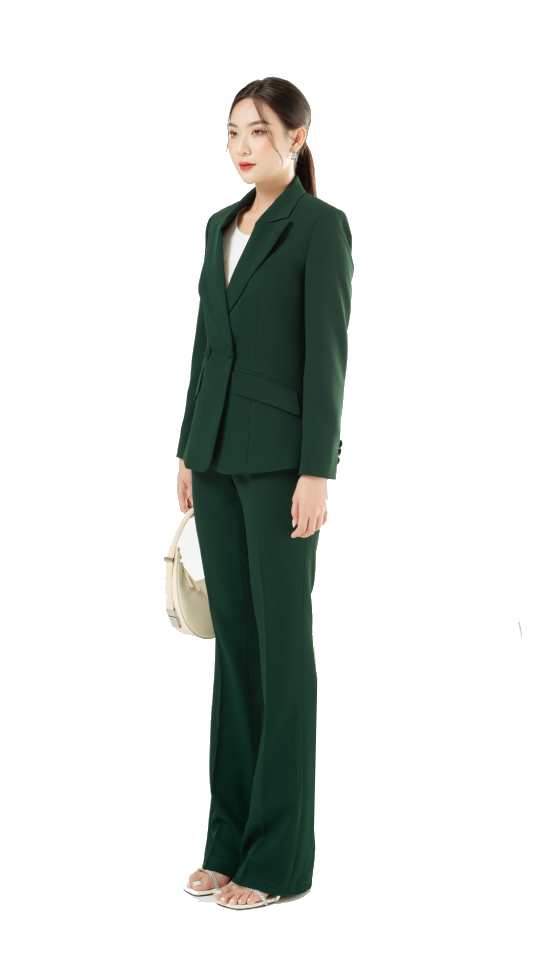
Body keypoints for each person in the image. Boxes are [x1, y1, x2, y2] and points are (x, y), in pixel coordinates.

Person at [176, 77, 353, 909]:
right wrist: (188, 449)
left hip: (284, 467)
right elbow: (207, 346)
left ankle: (277, 860)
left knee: (284, 655)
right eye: (232, 132)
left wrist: (319, 468)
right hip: (214, 459)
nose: (242, 146)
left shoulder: (320, 228)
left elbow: (327, 355)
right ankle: (227, 842)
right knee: (237, 655)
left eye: (258, 131)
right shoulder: (220, 225)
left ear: (296, 136)